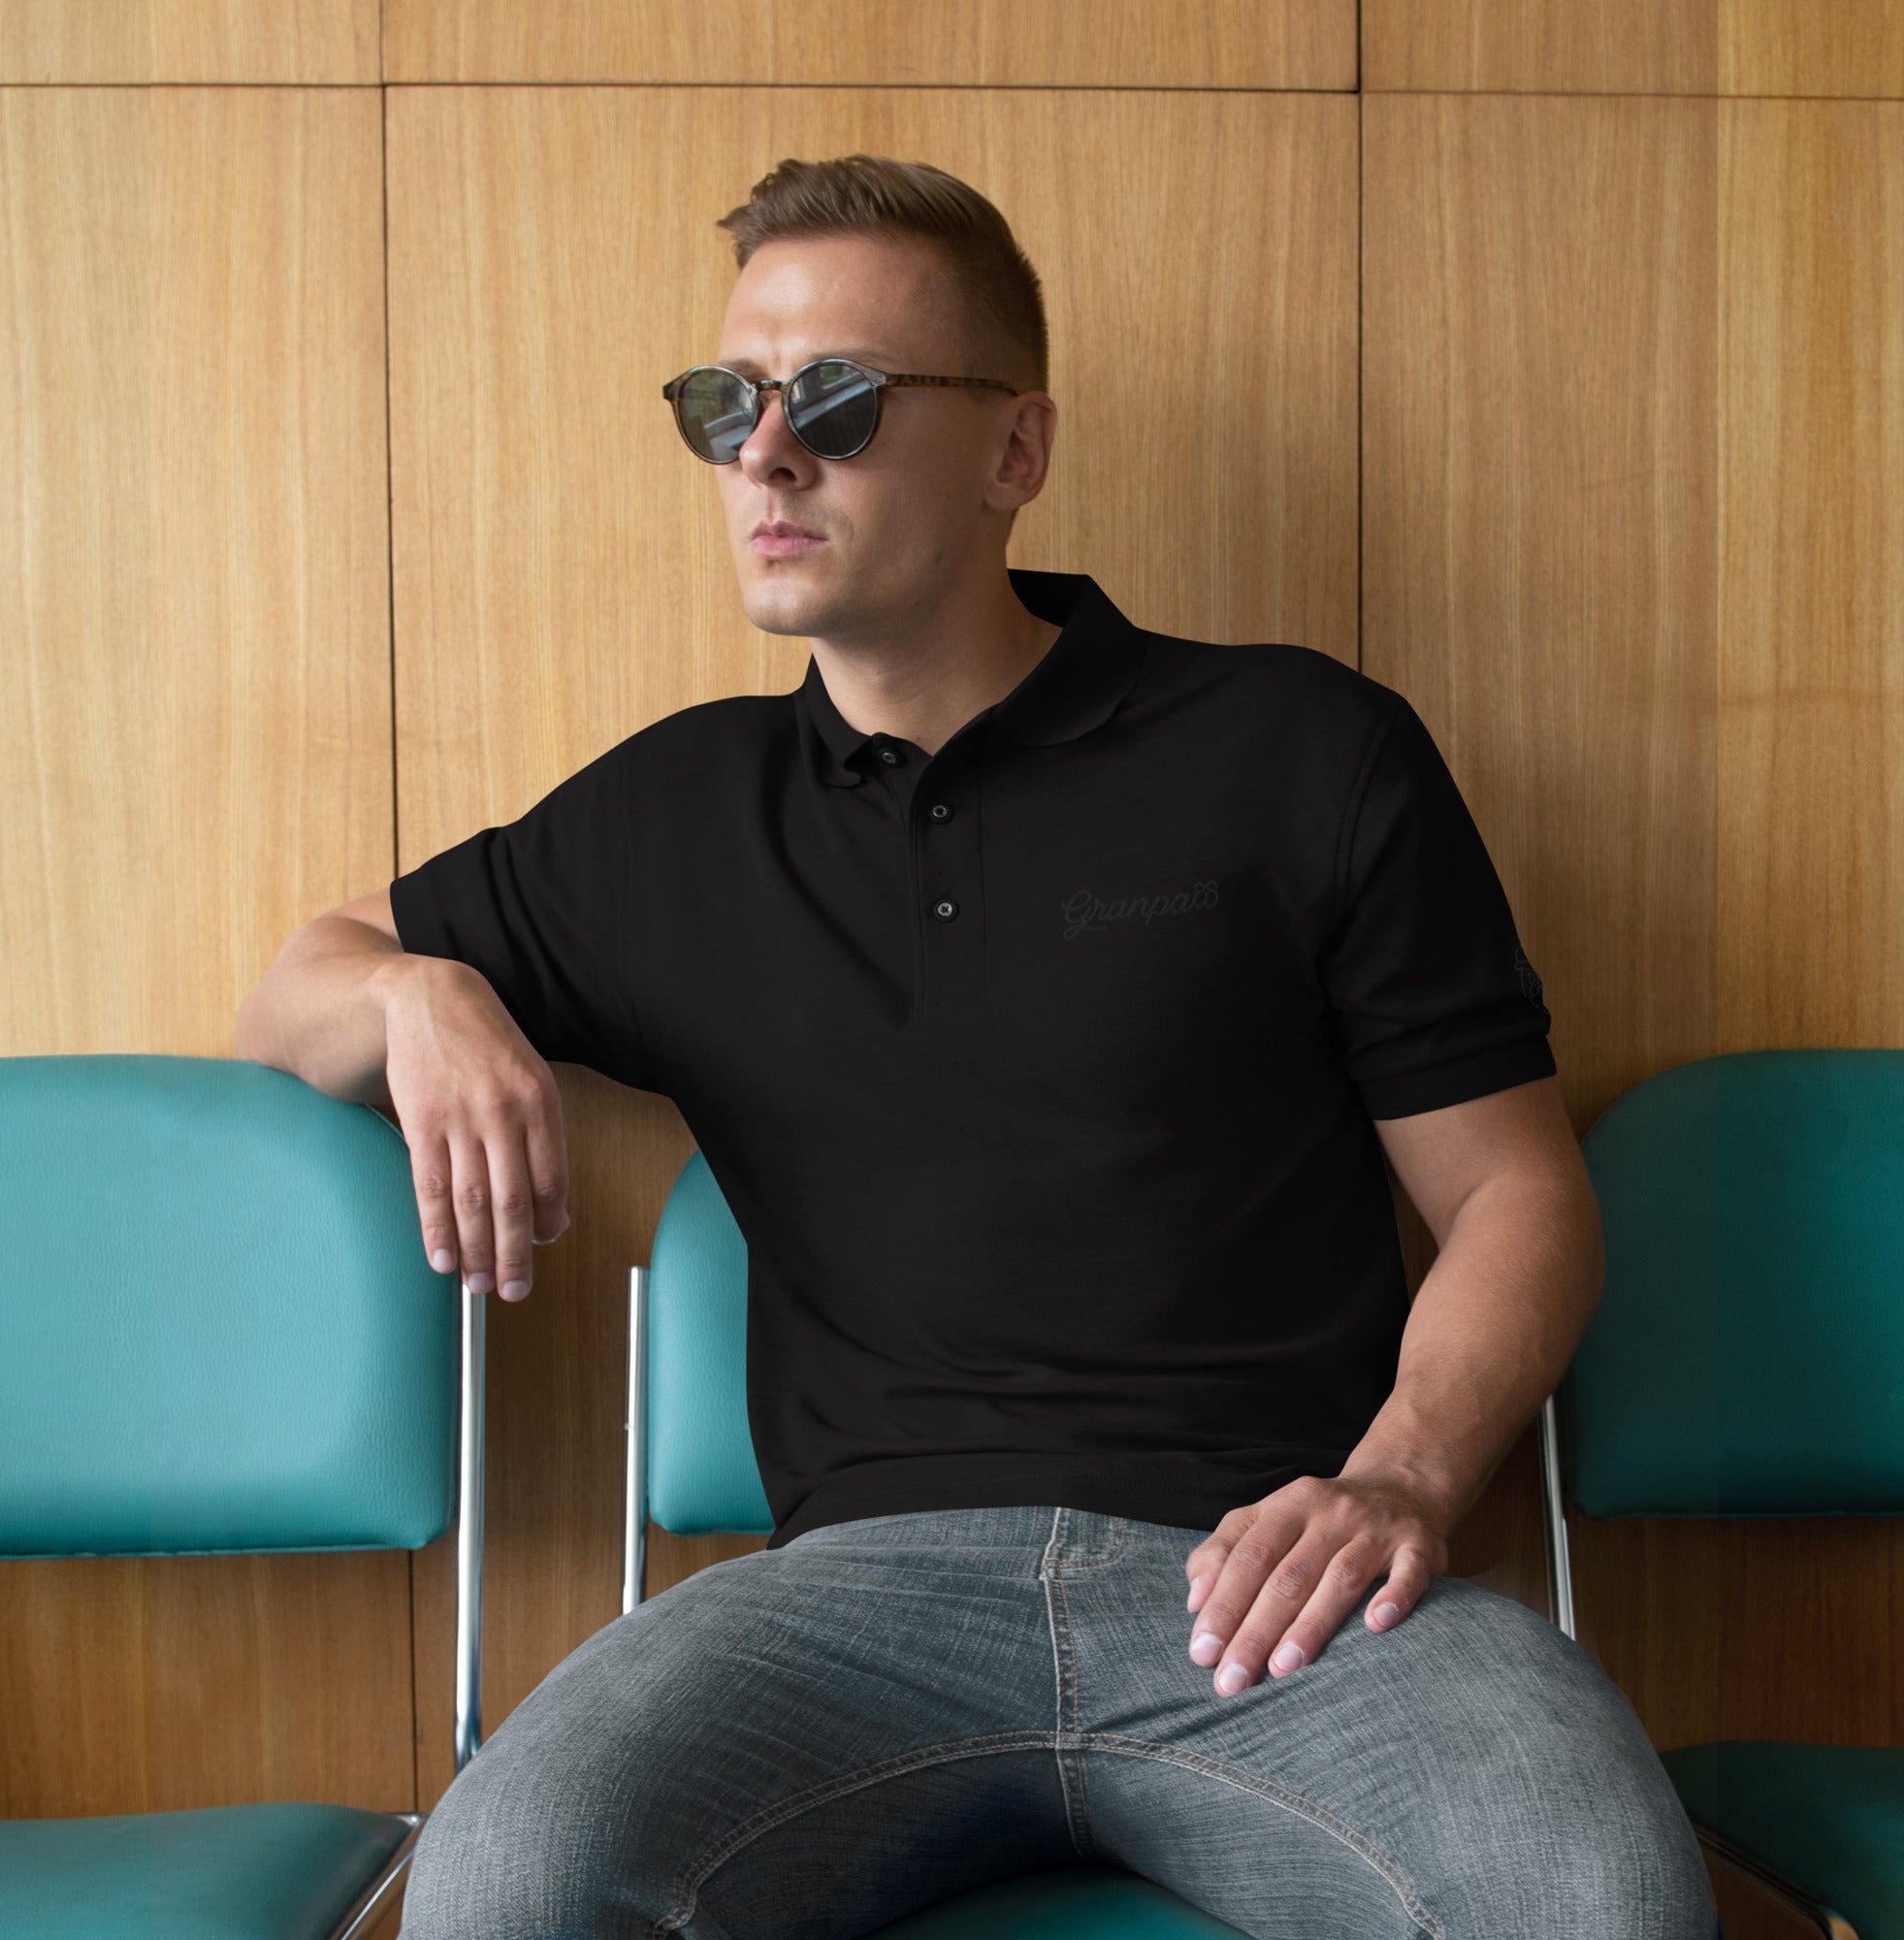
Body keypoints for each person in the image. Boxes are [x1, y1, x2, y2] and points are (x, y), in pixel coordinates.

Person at [236, 154, 1720, 1938]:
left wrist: (1399, 1474)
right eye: (728, 404)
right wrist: (421, 994)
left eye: (842, 403)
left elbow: (1514, 1195)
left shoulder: (1299, 749)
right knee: (509, 1887)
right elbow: (292, 990)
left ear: (1017, 451)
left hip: (1281, 1584)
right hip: (848, 1610)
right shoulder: (678, 817)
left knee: (1601, 1894)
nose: (767, 456)